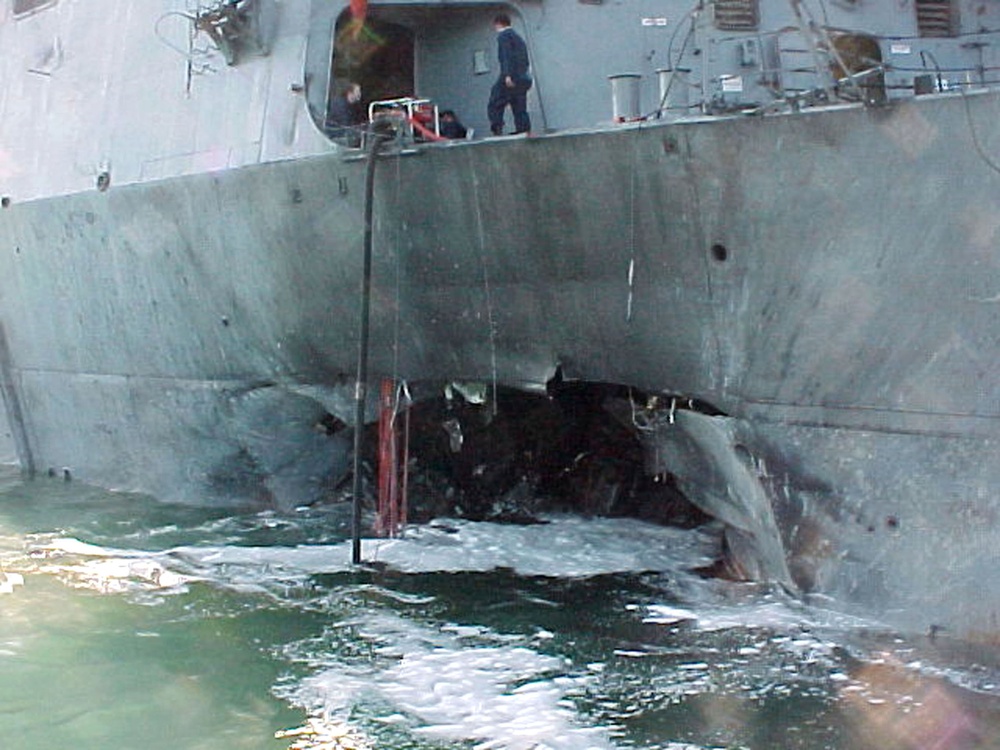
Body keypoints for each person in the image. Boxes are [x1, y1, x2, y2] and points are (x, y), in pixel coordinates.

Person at [487, 14, 532, 136]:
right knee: (519, 104)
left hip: (511, 76)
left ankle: (497, 128)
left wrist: (507, 75)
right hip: (523, 77)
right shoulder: (518, 37)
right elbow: (524, 59)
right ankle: (524, 130)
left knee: (495, 102)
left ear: (498, 24)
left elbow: (506, 56)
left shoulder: (504, 36)